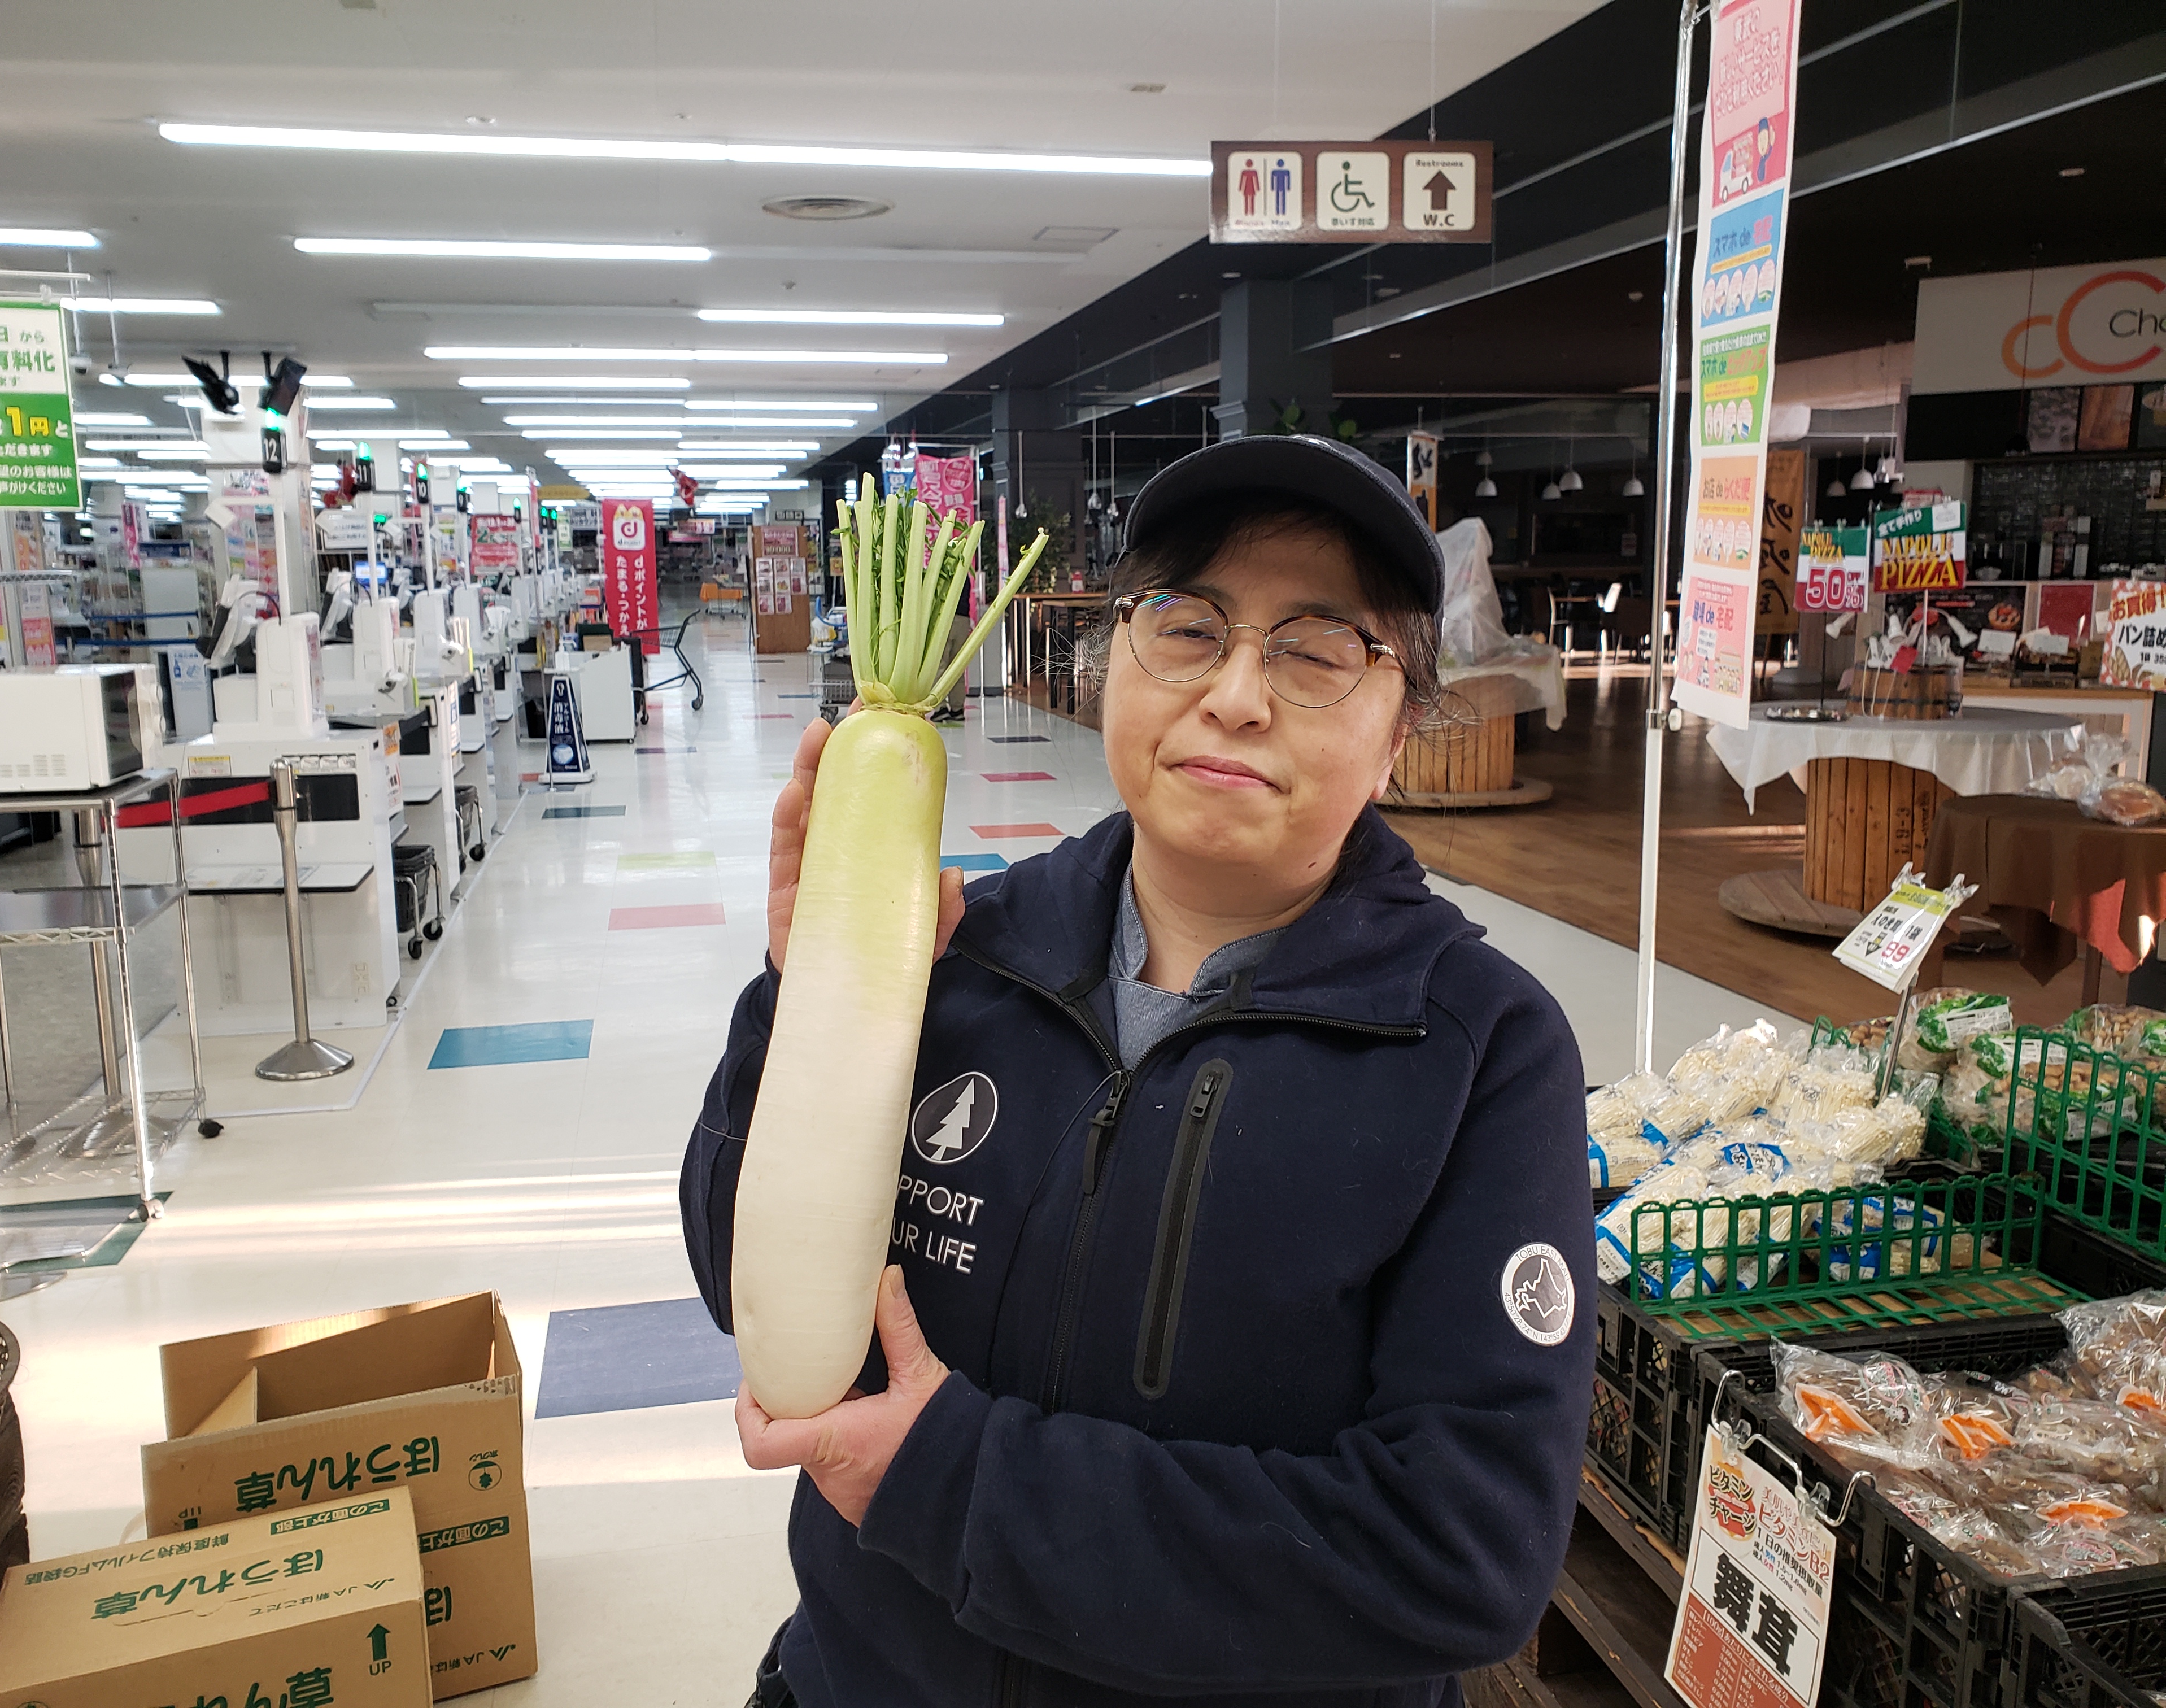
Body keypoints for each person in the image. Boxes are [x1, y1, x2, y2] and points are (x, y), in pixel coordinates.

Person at [683, 435, 1594, 1708]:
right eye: (1188, 628)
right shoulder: (954, 951)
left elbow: (1463, 1554)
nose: (1236, 695)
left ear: (1400, 732)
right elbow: (747, 1292)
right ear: (1111, 659)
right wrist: (805, 1001)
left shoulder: (1480, 1054)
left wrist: (957, 1486)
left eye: (1317, 652)